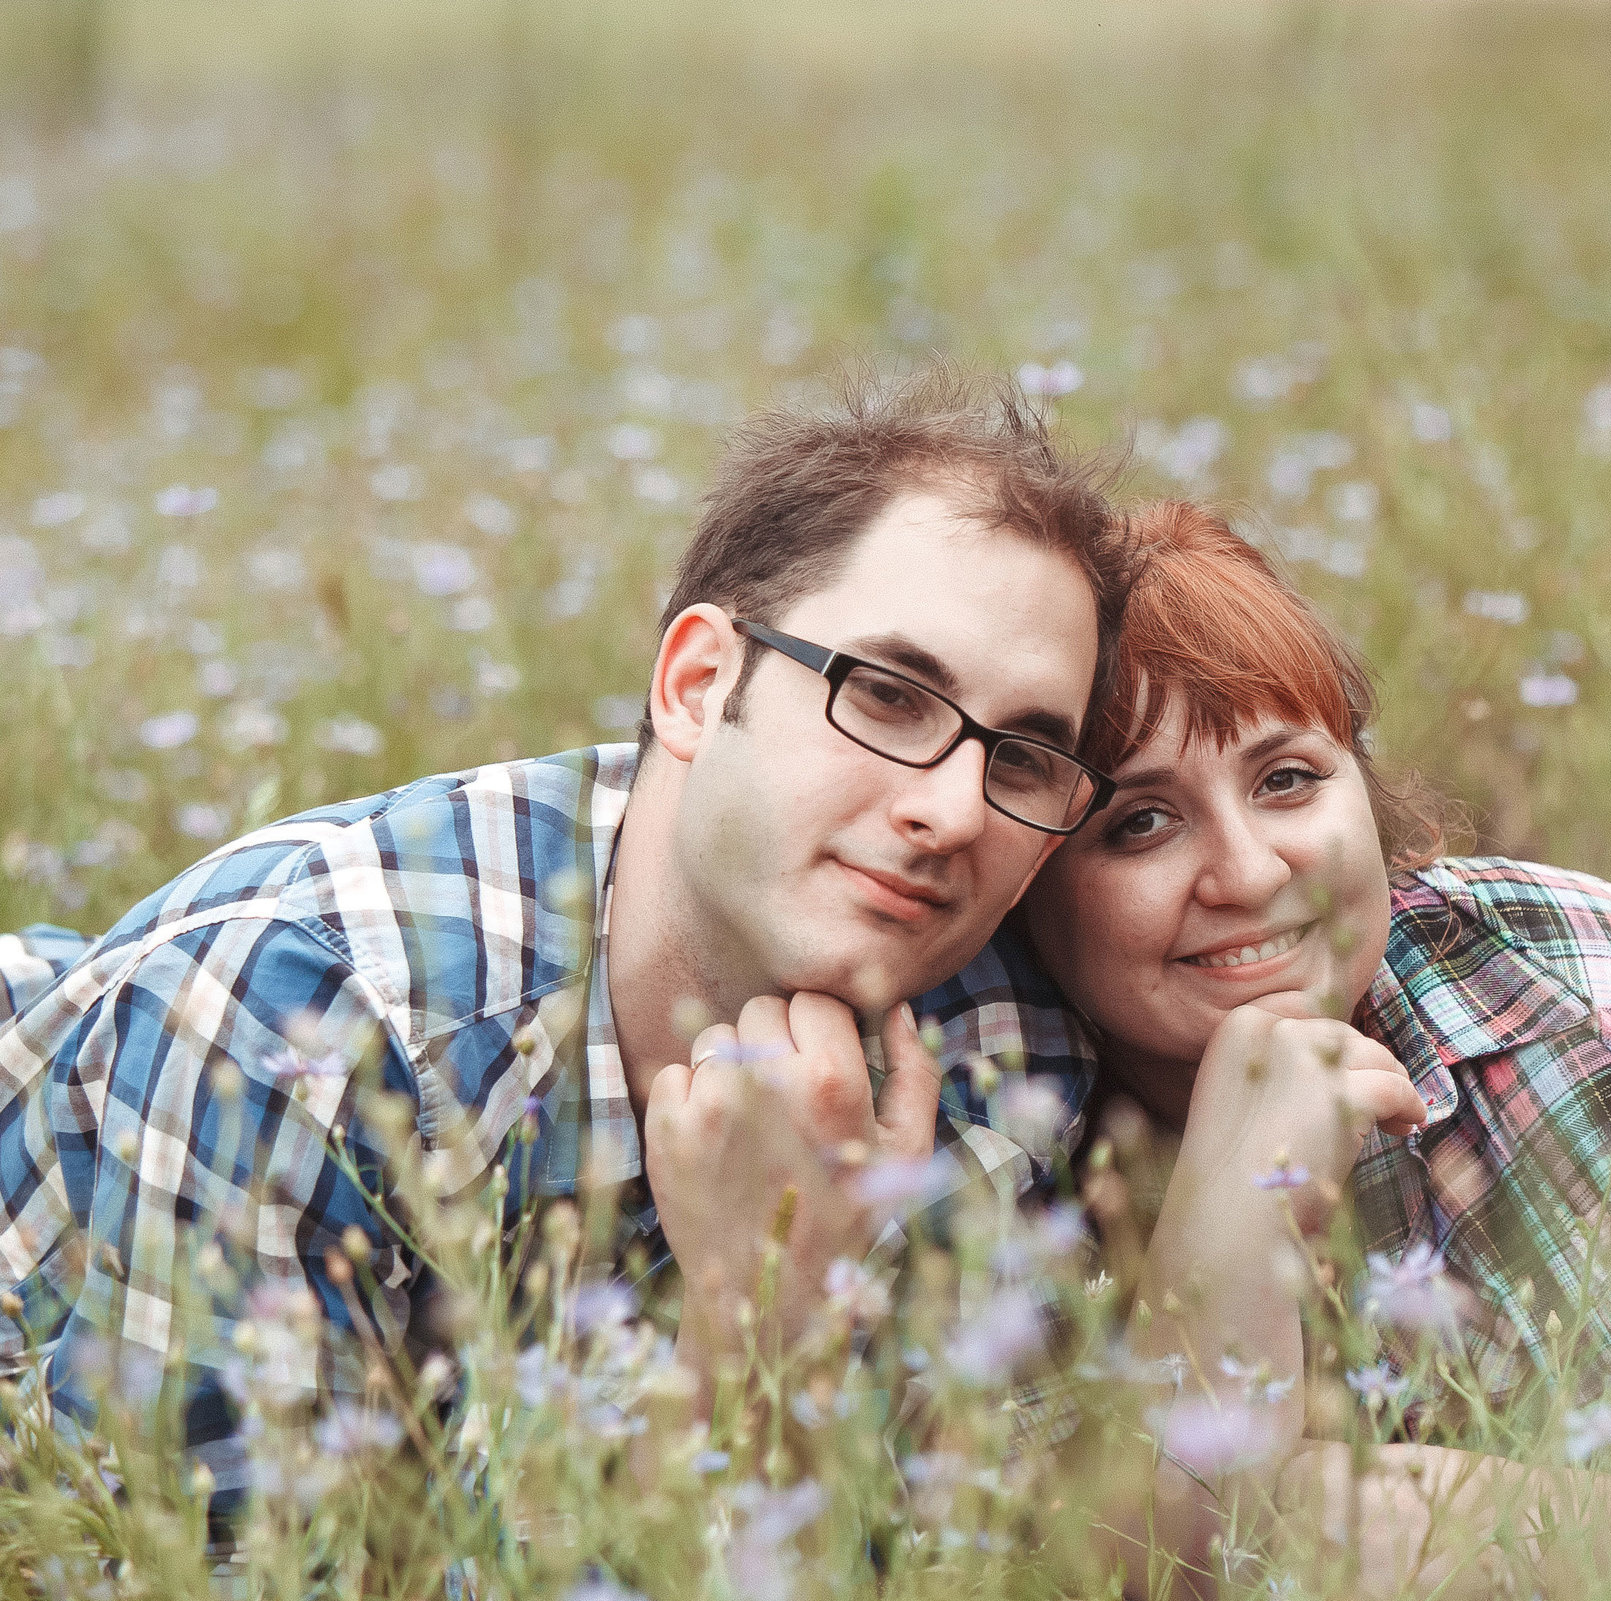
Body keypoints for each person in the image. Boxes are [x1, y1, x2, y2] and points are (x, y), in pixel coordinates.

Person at [0, 367, 1125, 1518]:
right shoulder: (298, 1016)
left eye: (1025, 757)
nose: (954, 811)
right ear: (696, 685)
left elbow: (871, 1582)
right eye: (887, 694)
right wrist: (755, 1319)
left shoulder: (999, 1053)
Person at [1013, 501, 1611, 1601]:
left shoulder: (1603, 1029)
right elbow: (1099, 1567)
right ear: (1025, 885)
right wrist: (1228, 1222)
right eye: (1140, 825)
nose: (1251, 872)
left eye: (1288, 780)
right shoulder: (969, 1097)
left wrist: (1419, 1529)